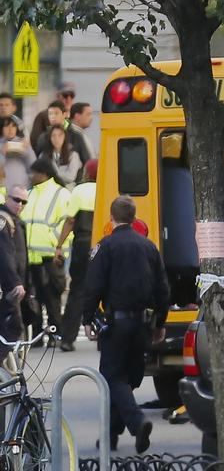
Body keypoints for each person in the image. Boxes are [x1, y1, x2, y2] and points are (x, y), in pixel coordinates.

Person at [82, 195, 170, 453]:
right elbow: (163, 289)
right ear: (134, 218)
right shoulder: (149, 247)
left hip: (117, 324)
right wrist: (160, 323)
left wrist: (87, 319)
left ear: (112, 218)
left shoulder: (106, 246)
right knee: (127, 380)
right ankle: (110, 436)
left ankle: (136, 421)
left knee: (113, 378)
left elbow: (93, 286)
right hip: (142, 324)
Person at [21, 158, 71, 339]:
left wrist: (57, 245)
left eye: (34, 173)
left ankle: (55, 334)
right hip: (31, 256)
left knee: (52, 299)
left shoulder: (61, 194)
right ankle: (36, 336)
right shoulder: (30, 193)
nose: (31, 176)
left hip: (51, 256)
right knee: (34, 299)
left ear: (44, 174)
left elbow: (68, 224)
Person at [56, 159, 98, 352]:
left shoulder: (79, 191)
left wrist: (59, 245)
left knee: (77, 290)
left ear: (87, 173)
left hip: (82, 244)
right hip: (102, 245)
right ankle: (103, 334)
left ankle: (67, 338)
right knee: (105, 289)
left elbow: (71, 220)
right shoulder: (108, 186)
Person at [0, 186, 29, 361]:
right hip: (6, 287)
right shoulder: (3, 221)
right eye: (16, 200)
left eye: (24, 202)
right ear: (6, 198)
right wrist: (15, 283)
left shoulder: (14, 221)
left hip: (12, 285)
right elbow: (4, 255)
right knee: (12, 327)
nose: (19, 205)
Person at [31, 83, 75, 147]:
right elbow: (35, 141)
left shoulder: (74, 116)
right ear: (57, 96)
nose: (69, 99)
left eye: (72, 96)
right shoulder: (43, 116)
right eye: (65, 96)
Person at [39, 124, 82, 188]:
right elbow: (41, 176)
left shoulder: (73, 155)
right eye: (53, 135)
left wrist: (54, 171)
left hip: (67, 190)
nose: (57, 139)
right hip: (49, 190)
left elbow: (71, 177)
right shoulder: (43, 155)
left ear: (65, 137)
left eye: (60, 135)